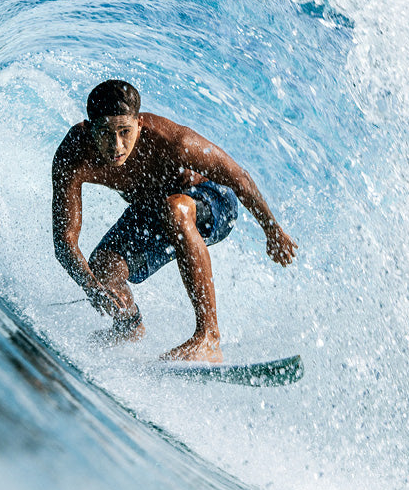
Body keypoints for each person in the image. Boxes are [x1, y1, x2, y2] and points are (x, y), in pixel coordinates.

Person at [51, 79, 297, 362]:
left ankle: (209, 337)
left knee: (175, 208)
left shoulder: (172, 141)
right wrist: (92, 287)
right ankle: (128, 327)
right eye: (105, 133)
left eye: (124, 132)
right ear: (89, 127)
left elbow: (237, 176)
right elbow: (65, 240)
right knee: (105, 268)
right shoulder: (74, 154)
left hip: (212, 202)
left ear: (139, 124)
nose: (116, 145)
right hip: (155, 209)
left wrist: (272, 230)